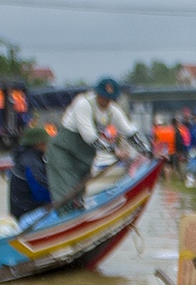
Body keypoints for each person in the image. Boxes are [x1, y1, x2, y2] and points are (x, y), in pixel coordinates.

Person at [46, 76, 137, 208]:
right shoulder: (83, 104)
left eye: (109, 99)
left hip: (83, 155)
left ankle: (78, 213)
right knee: (66, 194)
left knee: (79, 195)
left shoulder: (113, 111)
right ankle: (66, 219)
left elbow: (129, 131)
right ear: (97, 94)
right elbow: (89, 136)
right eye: (103, 97)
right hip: (63, 151)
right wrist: (115, 151)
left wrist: (148, 152)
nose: (105, 101)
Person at [8, 123, 53, 220]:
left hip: (22, 211)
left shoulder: (26, 157)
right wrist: (61, 194)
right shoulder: (31, 162)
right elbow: (40, 193)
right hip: (27, 214)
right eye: (46, 142)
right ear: (39, 144)